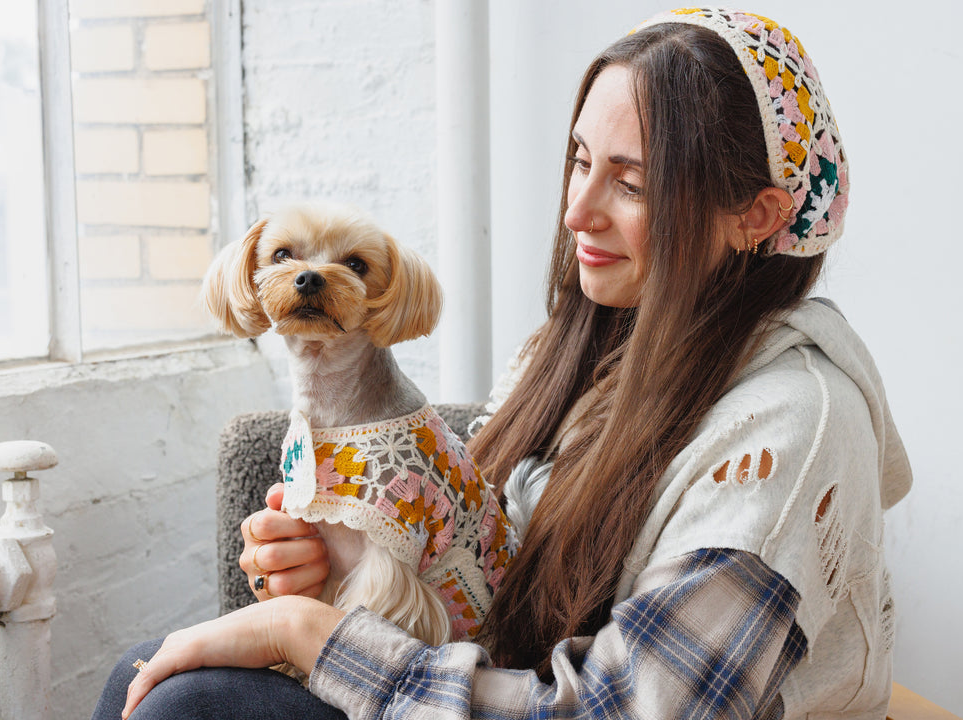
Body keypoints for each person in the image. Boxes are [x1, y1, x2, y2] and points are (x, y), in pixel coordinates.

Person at [93, 7, 912, 719]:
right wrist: (343, 563)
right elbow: (493, 561)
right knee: (140, 676)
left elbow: (622, 711)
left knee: (184, 704)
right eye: (581, 161)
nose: (577, 210)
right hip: (498, 678)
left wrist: (311, 635)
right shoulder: (587, 351)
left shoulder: (794, 433)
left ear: (755, 214)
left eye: (631, 183)